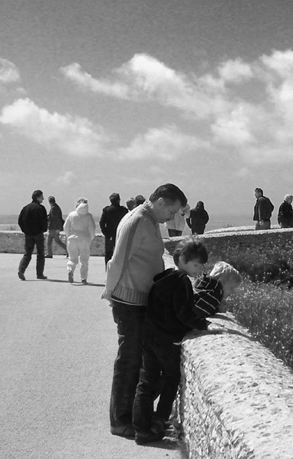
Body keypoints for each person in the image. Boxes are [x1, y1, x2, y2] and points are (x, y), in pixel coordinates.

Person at [102, 183, 186, 439]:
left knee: (140, 362)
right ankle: (120, 421)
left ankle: (138, 417)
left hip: (138, 300)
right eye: (172, 210)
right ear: (161, 201)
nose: (172, 217)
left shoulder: (148, 220)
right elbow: (118, 260)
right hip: (129, 301)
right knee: (129, 362)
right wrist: (110, 292)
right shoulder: (138, 220)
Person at [132, 238, 212, 445]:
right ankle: (159, 420)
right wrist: (204, 325)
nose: (198, 270)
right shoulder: (182, 281)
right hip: (166, 340)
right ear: (183, 260)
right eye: (196, 265)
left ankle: (141, 428)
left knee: (146, 382)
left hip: (149, 336)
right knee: (171, 378)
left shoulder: (163, 277)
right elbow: (183, 312)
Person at [64, 197, 98, 284]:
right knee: (84, 260)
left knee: (72, 258)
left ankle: (70, 269)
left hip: (72, 238)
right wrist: (90, 238)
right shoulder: (89, 216)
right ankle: (83, 278)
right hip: (85, 239)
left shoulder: (71, 215)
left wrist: (69, 236)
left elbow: (66, 227)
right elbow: (92, 228)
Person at [17, 190, 48, 281]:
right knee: (40, 254)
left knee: (27, 253)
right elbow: (44, 221)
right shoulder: (40, 208)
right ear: (38, 197)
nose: (43, 198)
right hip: (38, 234)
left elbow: (20, 221)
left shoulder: (25, 208)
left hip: (28, 234)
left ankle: (21, 270)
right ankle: (39, 274)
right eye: (42, 196)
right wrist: (43, 229)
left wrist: (25, 230)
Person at [100, 192, 128, 264]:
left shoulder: (107, 210)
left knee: (108, 254)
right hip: (121, 233)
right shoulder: (124, 210)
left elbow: (102, 223)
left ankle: (108, 269)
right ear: (119, 200)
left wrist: (105, 233)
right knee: (120, 252)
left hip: (109, 234)